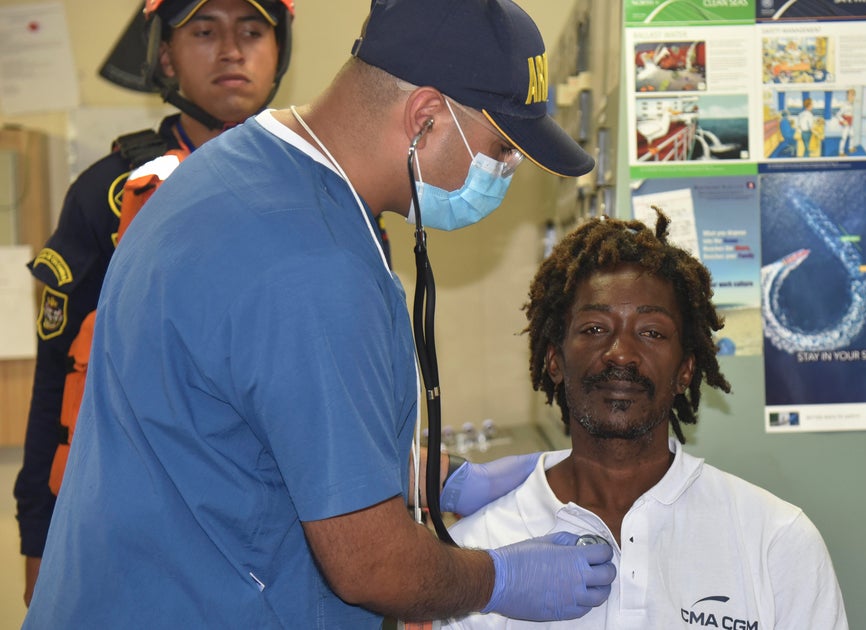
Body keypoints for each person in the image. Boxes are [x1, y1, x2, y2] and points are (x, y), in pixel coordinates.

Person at [22, 0, 615, 627]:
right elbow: (372, 565)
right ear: (426, 119)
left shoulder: (238, 172)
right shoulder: (310, 263)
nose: (508, 170)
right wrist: (502, 577)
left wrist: (443, 480)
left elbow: (255, 431)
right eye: (502, 148)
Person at [440, 210, 849, 629]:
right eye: (595, 328)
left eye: (652, 331)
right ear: (555, 361)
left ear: (685, 370)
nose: (621, 352)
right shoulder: (477, 556)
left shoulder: (776, 540)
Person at [15, 0, 295, 607]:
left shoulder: (323, 184)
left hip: (285, 529)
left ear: (280, 51)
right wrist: (37, 538)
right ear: (164, 54)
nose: (231, 49)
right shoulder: (109, 194)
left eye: (252, 31)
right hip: (135, 531)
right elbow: (57, 382)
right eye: (204, 31)